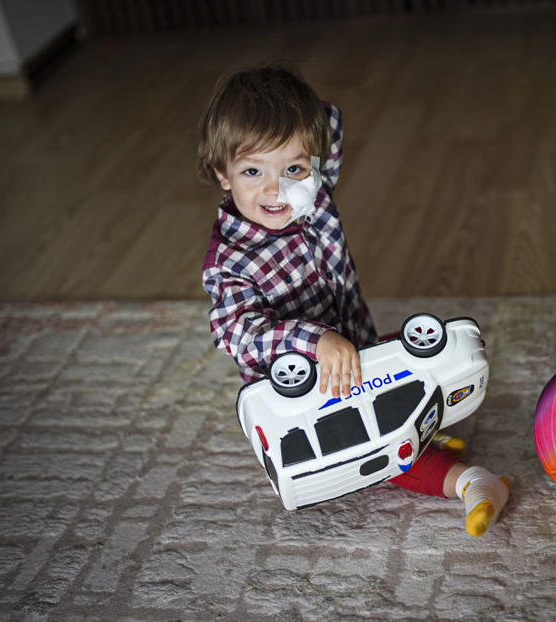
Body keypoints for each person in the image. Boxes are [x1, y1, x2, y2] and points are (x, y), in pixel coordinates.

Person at [198, 65, 509, 536]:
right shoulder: (229, 262)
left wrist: (290, 108)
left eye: (293, 168)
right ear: (223, 173)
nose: (276, 189)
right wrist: (314, 340)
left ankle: (429, 422)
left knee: (424, 356)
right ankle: (472, 482)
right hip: (310, 395)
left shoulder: (313, 193)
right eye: (252, 171)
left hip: (360, 346)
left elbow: (331, 121)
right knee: (383, 450)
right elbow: (237, 333)